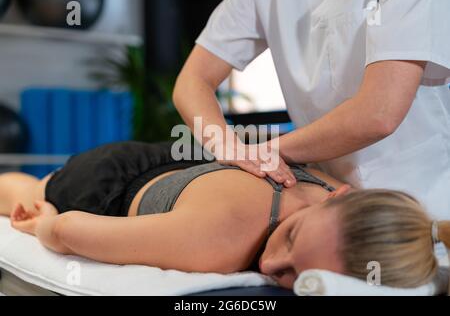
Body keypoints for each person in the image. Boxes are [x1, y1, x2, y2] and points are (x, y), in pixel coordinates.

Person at [1, 141, 448, 289]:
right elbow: (69, 229)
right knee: (24, 190)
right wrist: (43, 223)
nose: (271, 266)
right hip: (111, 183)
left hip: (181, 165)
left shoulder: (333, 184)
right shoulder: (219, 237)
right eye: (290, 239)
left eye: (295, 275)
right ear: (339, 197)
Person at [173, 0, 450, 222]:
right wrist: (227, 146)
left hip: (422, 198)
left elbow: (379, 113)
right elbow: (193, 80)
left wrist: (265, 152)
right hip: (331, 201)